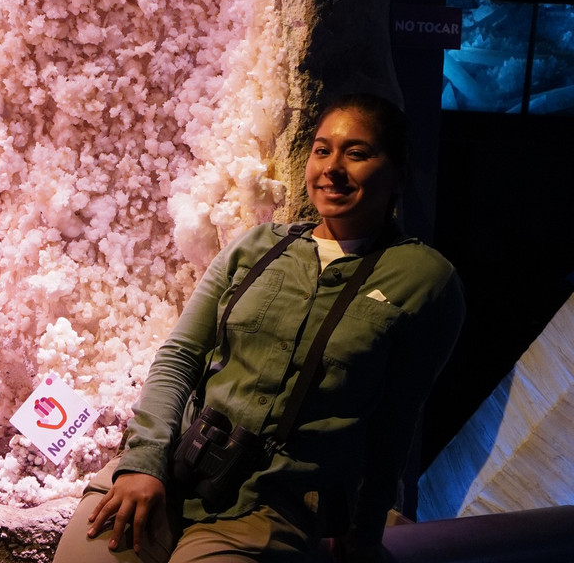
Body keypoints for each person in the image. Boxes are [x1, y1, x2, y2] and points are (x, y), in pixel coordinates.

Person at [52, 93, 465, 563]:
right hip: (174, 467)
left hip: (270, 505)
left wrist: (366, 531)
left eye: (356, 153)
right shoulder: (258, 246)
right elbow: (180, 356)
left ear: (398, 171)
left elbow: (396, 420)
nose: (332, 168)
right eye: (322, 150)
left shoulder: (424, 280)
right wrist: (142, 464)